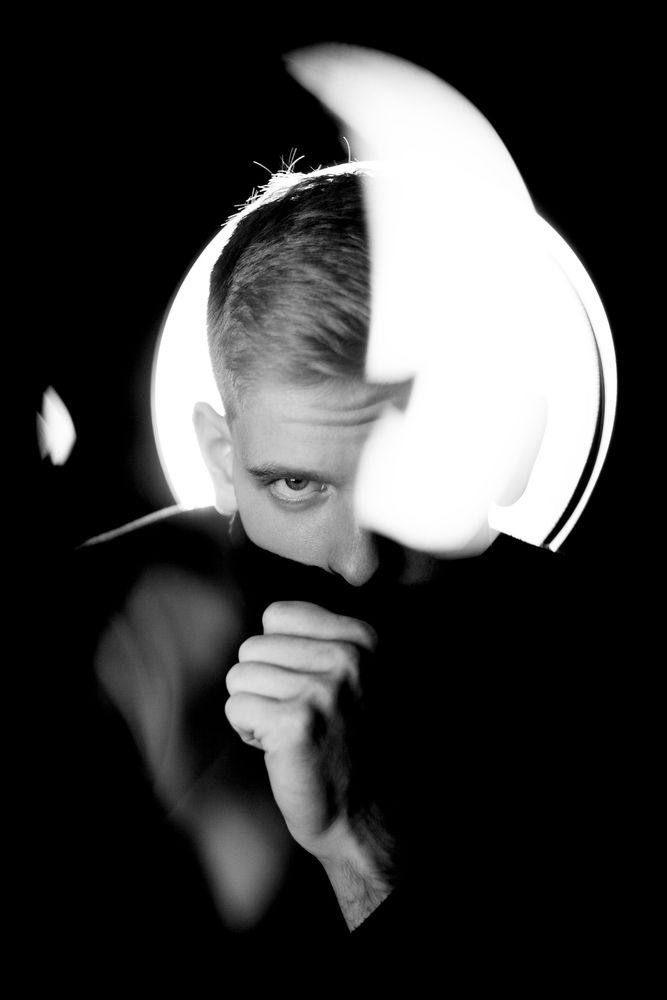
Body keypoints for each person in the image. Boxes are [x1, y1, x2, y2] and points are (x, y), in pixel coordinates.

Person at [71, 162, 620, 986]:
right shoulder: (90, 625)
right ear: (220, 457)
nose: (359, 560)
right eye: (296, 484)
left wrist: (358, 848)